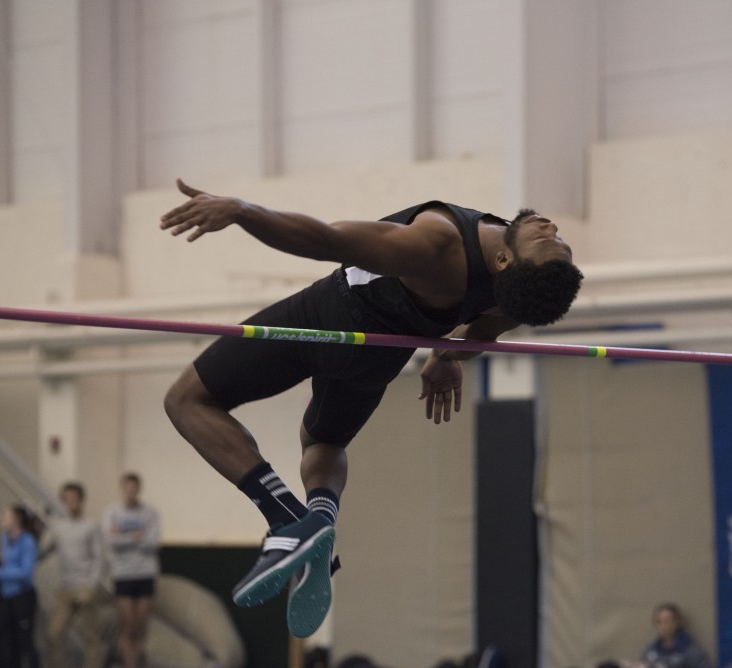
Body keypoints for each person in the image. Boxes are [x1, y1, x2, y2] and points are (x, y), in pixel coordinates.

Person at [160, 182, 583, 638]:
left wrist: (243, 211)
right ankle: (321, 518)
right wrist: (444, 357)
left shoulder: (437, 243)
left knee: (186, 400)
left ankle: (285, 518)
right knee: (323, 441)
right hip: (379, 356)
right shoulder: (518, 290)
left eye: (546, 239)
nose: (551, 227)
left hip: (328, 318)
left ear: (504, 260)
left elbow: (327, 240)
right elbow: (483, 333)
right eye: (559, 238)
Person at [42, 482, 106, 668]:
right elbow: (43, 551)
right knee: (54, 634)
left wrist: (91, 586)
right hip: (65, 589)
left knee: (91, 637)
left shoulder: (91, 525)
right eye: (66, 498)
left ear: (81, 500)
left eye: (73, 498)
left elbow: (99, 558)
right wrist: (48, 525)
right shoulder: (58, 526)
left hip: (85, 588)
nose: (70, 502)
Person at [103, 473, 160, 668]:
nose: (130, 492)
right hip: (122, 575)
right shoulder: (112, 512)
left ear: (138, 489)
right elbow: (110, 540)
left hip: (145, 573)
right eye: (127, 488)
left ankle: (138, 662)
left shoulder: (150, 513)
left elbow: (153, 543)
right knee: (128, 625)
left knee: (140, 625)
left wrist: (122, 535)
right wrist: (135, 536)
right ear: (122, 489)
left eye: (134, 488)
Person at [0, 504, 40, 668]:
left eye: (5, 515)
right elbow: (10, 567)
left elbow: (26, 573)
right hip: (6, 597)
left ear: (17, 519)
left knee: (24, 643)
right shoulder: (5, 538)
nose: (2, 518)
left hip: (23, 597)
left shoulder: (28, 541)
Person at [640, 602, 713, 668]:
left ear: (677, 622)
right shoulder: (651, 650)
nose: (664, 626)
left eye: (668, 621)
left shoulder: (690, 649)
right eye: (660, 622)